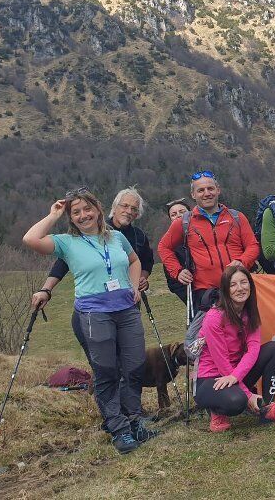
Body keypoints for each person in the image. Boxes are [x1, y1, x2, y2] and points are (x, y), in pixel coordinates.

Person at [22, 188, 155, 454]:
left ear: (98, 210)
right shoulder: (66, 242)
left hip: (126, 310)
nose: (84, 216)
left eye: (87, 209)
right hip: (94, 313)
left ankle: (135, 418)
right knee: (106, 370)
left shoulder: (117, 237)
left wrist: (133, 287)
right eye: (76, 212)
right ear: (71, 217)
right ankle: (118, 427)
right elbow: (30, 239)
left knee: (134, 365)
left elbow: (134, 260)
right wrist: (54, 214)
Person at [30, 187, 155, 358]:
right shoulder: (93, 226)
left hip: (126, 303)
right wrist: (46, 289)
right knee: (104, 364)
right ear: (114, 207)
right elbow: (63, 262)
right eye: (124, 206)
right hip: (94, 308)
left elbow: (145, 261)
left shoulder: (138, 236)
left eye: (134, 209)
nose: (129, 211)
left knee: (128, 361)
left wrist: (140, 280)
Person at [195, 265, 275, 432]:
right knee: (237, 402)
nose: (240, 288)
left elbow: (253, 350)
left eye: (243, 282)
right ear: (225, 290)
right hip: (211, 378)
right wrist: (248, 395)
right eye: (233, 285)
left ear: (250, 285)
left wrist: (235, 376)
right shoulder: (214, 318)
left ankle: (267, 408)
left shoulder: (250, 312)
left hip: (234, 374)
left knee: (274, 349)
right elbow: (222, 363)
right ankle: (217, 411)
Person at [157, 171, 260, 310]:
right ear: (193, 195)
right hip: (207, 294)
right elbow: (163, 247)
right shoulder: (184, 222)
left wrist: (243, 261)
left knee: (249, 329)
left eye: (210, 188)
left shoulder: (237, 217)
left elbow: (253, 246)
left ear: (218, 190)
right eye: (201, 190)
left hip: (241, 287)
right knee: (202, 332)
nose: (207, 193)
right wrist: (177, 271)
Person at [162, 198, 193, 302]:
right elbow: (172, 282)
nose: (179, 215)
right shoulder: (169, 247)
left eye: (182, 212)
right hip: (192, 295)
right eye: (174, 214)